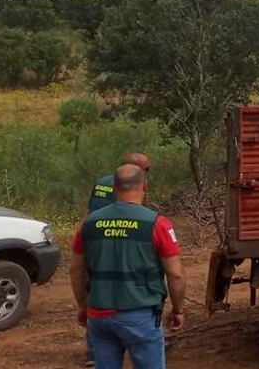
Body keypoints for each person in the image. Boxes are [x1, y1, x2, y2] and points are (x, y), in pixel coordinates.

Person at [70, 164, 186, 369]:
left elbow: (76, 270)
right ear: (145, 186)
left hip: (99, 314)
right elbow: (175, 274)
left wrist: (83, 306)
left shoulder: (88, 224)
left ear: (114, 187)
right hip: (139, 314)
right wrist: (178, 310)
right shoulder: (157, 224)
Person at [83, 152, 152, 366]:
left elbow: (88, 210)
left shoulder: (103, 182)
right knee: (127, 292)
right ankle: (141, 340)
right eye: (147, 170)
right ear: (139, 170)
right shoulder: (131, 185)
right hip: (120, 239)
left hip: (94, 239)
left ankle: (94, 352)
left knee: (96, 293)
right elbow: (131, 212)